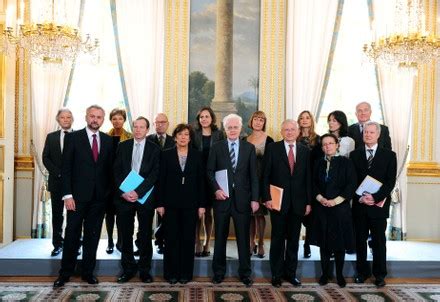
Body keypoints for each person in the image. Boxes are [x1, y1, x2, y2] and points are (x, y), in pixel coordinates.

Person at [54, 105, 114, 288]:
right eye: (92, 116)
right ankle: (65, 273)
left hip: (99, 199)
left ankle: (88, 272)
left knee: (92, 236)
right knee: (71, 234)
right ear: (86, 117)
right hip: (76, 199)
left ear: (103, 120)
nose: (95, 119)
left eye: (99, 117)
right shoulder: (73, 138)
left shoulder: (108, 140)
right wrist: (67, 195)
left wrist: (107, 196)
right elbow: (66, 170)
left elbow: (110, 171)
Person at [207, 114, 259, 287]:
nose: (232, 130)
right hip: (222, 200)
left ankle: (245, 274)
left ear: (240, 128)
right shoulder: (216, 147)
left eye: (235, 127)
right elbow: (209, 172)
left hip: (243, 201)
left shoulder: (249, 148)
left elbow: (254, 176)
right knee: (220, 238)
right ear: (225, 129)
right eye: (229, 127)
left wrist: (254, 199)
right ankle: (218, 273)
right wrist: (216, 190)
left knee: (243, 240)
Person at [262, 119, 312, 288]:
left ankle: (290, 274)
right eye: (286, 129)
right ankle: (276, 274)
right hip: (277, 202)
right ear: (282, 132)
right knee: (277, 240)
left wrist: (308, 202)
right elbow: (265, 176)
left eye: (292, 129)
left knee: (293, 241)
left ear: (298, 132)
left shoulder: (305, 151)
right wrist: (267, 197)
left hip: (298, 203)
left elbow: (307, 179)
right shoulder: (272, 148)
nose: (289, 132)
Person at [156, 124, 205, 284]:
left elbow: (201, 183)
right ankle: (171, 273)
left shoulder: (197, 155)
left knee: (187, 239)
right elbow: (160, 181)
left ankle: (185, 274)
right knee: (171, 239)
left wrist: (201, 205)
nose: (183, 137)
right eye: (180, 134)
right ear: (175, 137)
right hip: (170, 203)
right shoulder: (165, 155)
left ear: (190, 138)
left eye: (186, 135)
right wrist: (160, 203)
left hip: (191, 204)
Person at [113, 117, 160, 284]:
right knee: (125, 235)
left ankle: (144, 271)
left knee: (145, 235)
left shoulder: (155, 149)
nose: (138, 130)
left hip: (145, 198)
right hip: (124, 198)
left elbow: (155, 174)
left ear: (147, 130)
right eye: (136, 126)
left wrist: (138, 192)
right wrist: (124, 192)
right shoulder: (122, 146)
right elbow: (116, 171)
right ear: (133, 128)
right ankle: (128, 269)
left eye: (142, 127)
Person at [350, 121, 397, 288]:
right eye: (365, 132)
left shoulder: (389, 155)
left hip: (378, 206)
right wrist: (361, 197)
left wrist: (375, 197)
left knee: (378, 241)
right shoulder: (355, 155)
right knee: (360, 241)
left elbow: (390, 182)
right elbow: (352, 180)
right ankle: (362, 273)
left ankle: (380, 274)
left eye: (371, 132)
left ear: (378, 135)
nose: (368, 135)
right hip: (360, 204)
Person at [311, 133, 356, 288]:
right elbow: (312, 184)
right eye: (324, 144)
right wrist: (320, 198)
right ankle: (324, 274)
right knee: (324, 244)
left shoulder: (346, 163)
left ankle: (340, 275)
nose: (327, 146)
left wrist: (335, 201)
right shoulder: (317, 163)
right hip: (321, 208)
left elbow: (350, 185)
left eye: (330, 143)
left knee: (339, 244)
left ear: (337, 145)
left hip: (340, 209)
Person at [192, 107, 224, 258]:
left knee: (209, 212)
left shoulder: (219, 134)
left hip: (214, 178)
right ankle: (197, 241)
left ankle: (207, 242)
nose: (204, 119)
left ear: (212, 118)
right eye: (201, 117)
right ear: (199, 120)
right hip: (198, 177)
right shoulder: (194, 134)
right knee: (198, 211)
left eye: (207, 116)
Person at [42, 108, 74, 257]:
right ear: (58, 120)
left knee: (74, 216)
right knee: (57, 215)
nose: (66, 120)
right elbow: (45, 158)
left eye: (68, 117)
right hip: (56, 182)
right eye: (63, 117)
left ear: (72, 119)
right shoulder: (51, 137)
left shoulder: (79, 136)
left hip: (75, 184)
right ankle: (57, 244)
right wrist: (59, 173)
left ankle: (74, 244)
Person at [244, 111, 273, 259]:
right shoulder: (244, 139)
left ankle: (261, 243)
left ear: (264, 123)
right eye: (256, 119)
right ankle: (251, 242)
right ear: (251, 121)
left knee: (260, 214)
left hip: (262, 181)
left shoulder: (269, 140)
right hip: (247, 182)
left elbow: (272, 163)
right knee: (250, 215)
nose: (258, 122)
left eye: (261, 120)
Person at [146, 113, 175, 255]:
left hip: (167, 185)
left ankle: (161, 242)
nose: (160, 125)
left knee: (165, 216)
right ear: (153, 124)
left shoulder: (174, 141)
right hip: (149, 185)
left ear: (168, 124)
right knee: (146, 217)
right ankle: (144, 245)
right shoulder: (147, 140)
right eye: (157, 122)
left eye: (163, 122)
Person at [105, 108, 133, 254]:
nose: (117, 121)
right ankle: (109, 240)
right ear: (111, 120)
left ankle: (120, 241)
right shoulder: (105, 136)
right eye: (114, 118)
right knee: (109, 214)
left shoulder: (130, 136)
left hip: (124, 181)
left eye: (120, 118)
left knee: (122, 214)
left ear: (124, 120)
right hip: (108, 181)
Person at [297, 110, 323, 259]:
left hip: (312, 180)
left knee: (310, 216)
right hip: (297, 181)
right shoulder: (294, 137)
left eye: (307, 118)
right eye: (302, 118)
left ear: (311, 120)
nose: (304, 120)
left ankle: (307, 245)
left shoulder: (318, 139)